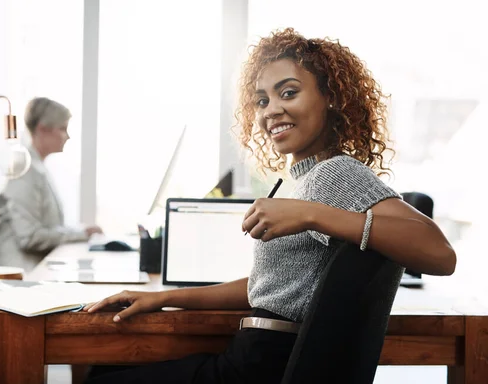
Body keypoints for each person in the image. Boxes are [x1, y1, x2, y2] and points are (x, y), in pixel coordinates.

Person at [83, 28, 457, 384]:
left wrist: (311, 214)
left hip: (263, 366)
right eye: (262, 100)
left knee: (101, 375)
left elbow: (440, 254)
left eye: (288, 93)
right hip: (256, 358)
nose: (270, 110)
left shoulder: (334, 174)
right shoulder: (298, 180)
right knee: (105, 369)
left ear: (331, 97)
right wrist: (162, 298)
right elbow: (264, 289)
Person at [0, 97, 102, 272]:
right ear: (42, 129)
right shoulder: (25, 171)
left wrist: (81, 232)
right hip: (18, 275)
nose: (68, 136)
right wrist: (81, 235)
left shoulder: (37, 168)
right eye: (63, 129)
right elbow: (30, 237)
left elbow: (48, 228)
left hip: (34, 271)